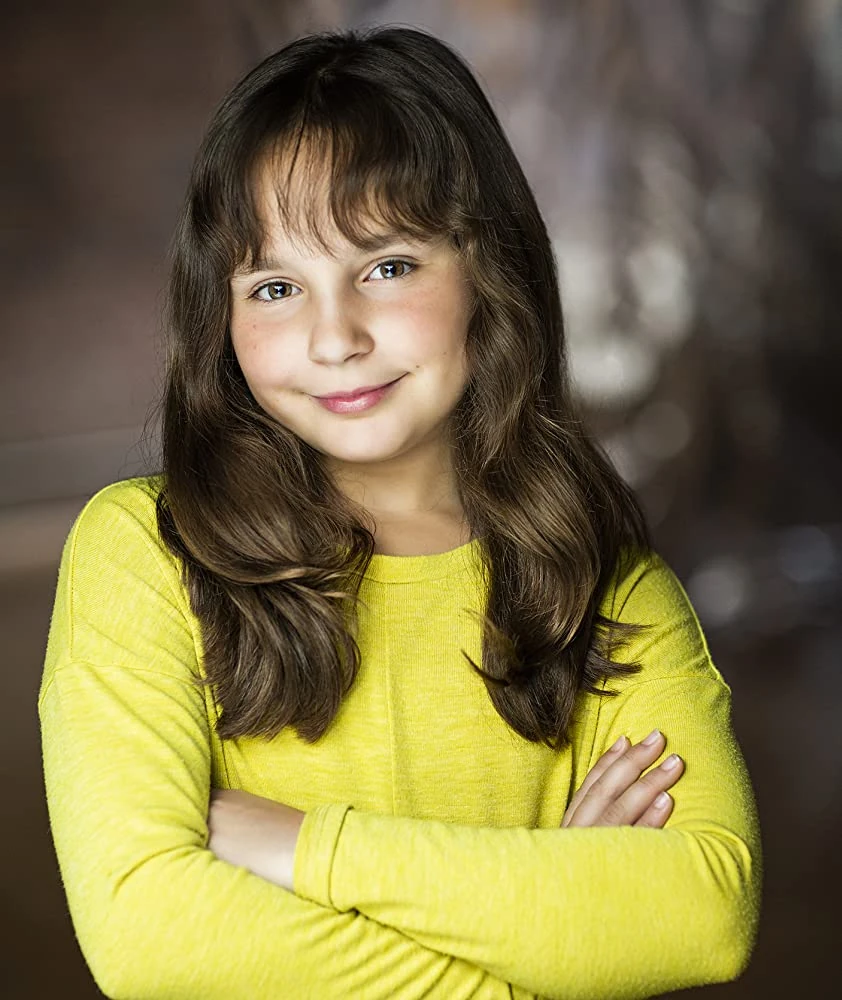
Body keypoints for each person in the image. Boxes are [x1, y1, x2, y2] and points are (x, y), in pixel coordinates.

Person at [38, 25, 761, 1000]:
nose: (334, 337)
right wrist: (548, 924)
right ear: (222, 318)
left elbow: (703, 915)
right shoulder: (145, 552)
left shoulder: (609, 587)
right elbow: (148, 933)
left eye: (386, 267)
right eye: (276, 287)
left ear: (485, 267)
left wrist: (300, 846)